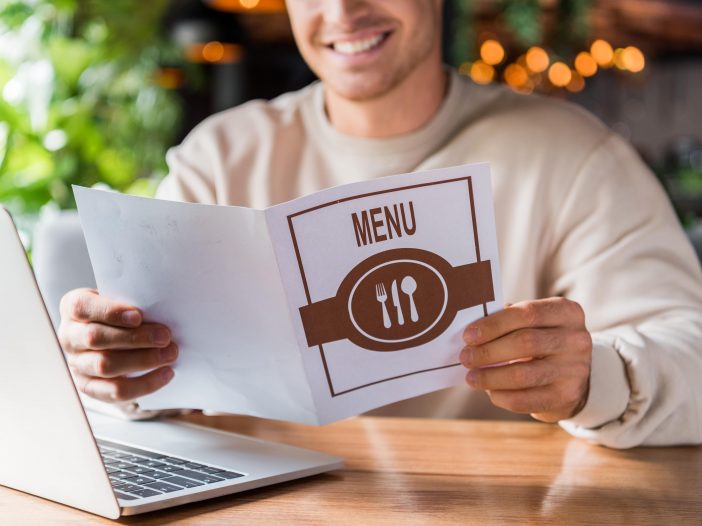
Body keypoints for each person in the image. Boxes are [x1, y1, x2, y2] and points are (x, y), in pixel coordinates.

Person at [58, 0, 702, 448]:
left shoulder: (572, 154)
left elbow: (690, 354)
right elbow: (146, 379)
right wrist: (114, 370)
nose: (342, 14)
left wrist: (596, 377)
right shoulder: (219, 157)